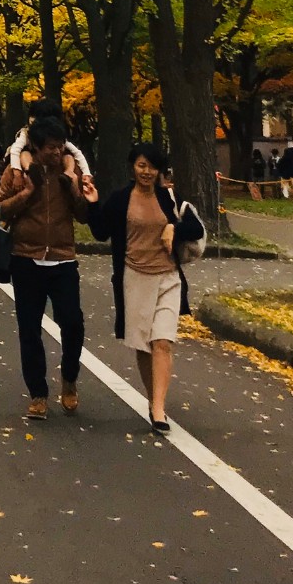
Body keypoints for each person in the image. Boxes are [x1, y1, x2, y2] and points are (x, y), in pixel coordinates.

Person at [89, 140, 205, 432]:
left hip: (167, 278)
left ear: (159, 170)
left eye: (152, 166)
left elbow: (197, 228)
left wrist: (173, 227)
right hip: (134, 278)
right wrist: (91, 203)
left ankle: (158, 409)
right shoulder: (120, 199)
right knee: (144, 346)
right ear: (133, 167)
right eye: (141, 165)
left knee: (162, 342)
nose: (146, 171)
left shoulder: (169, 198)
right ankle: (154, 397)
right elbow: (101, 232)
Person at [0, 116, 97, 419]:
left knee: (73, 323)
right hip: (25, 259)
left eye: (60, 146)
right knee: (29, 329)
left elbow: (83, 216)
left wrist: (75, 188)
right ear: (37, 147)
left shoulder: (71, 171)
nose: (57, 152)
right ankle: (38, 393)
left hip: (63, 260)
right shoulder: (17, 172)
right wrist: (26, 193)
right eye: (51, 147)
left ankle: (69, 378)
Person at [7, 100, 92, 181]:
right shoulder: (26, 134)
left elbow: (77, 153)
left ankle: (68, 175)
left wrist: (86, 174)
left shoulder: (57, 136)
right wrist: (17, 171)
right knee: (25, 154)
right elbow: (15, 149)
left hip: (58, 170)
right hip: (29, 160)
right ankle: (31, 171)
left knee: (68, 156)